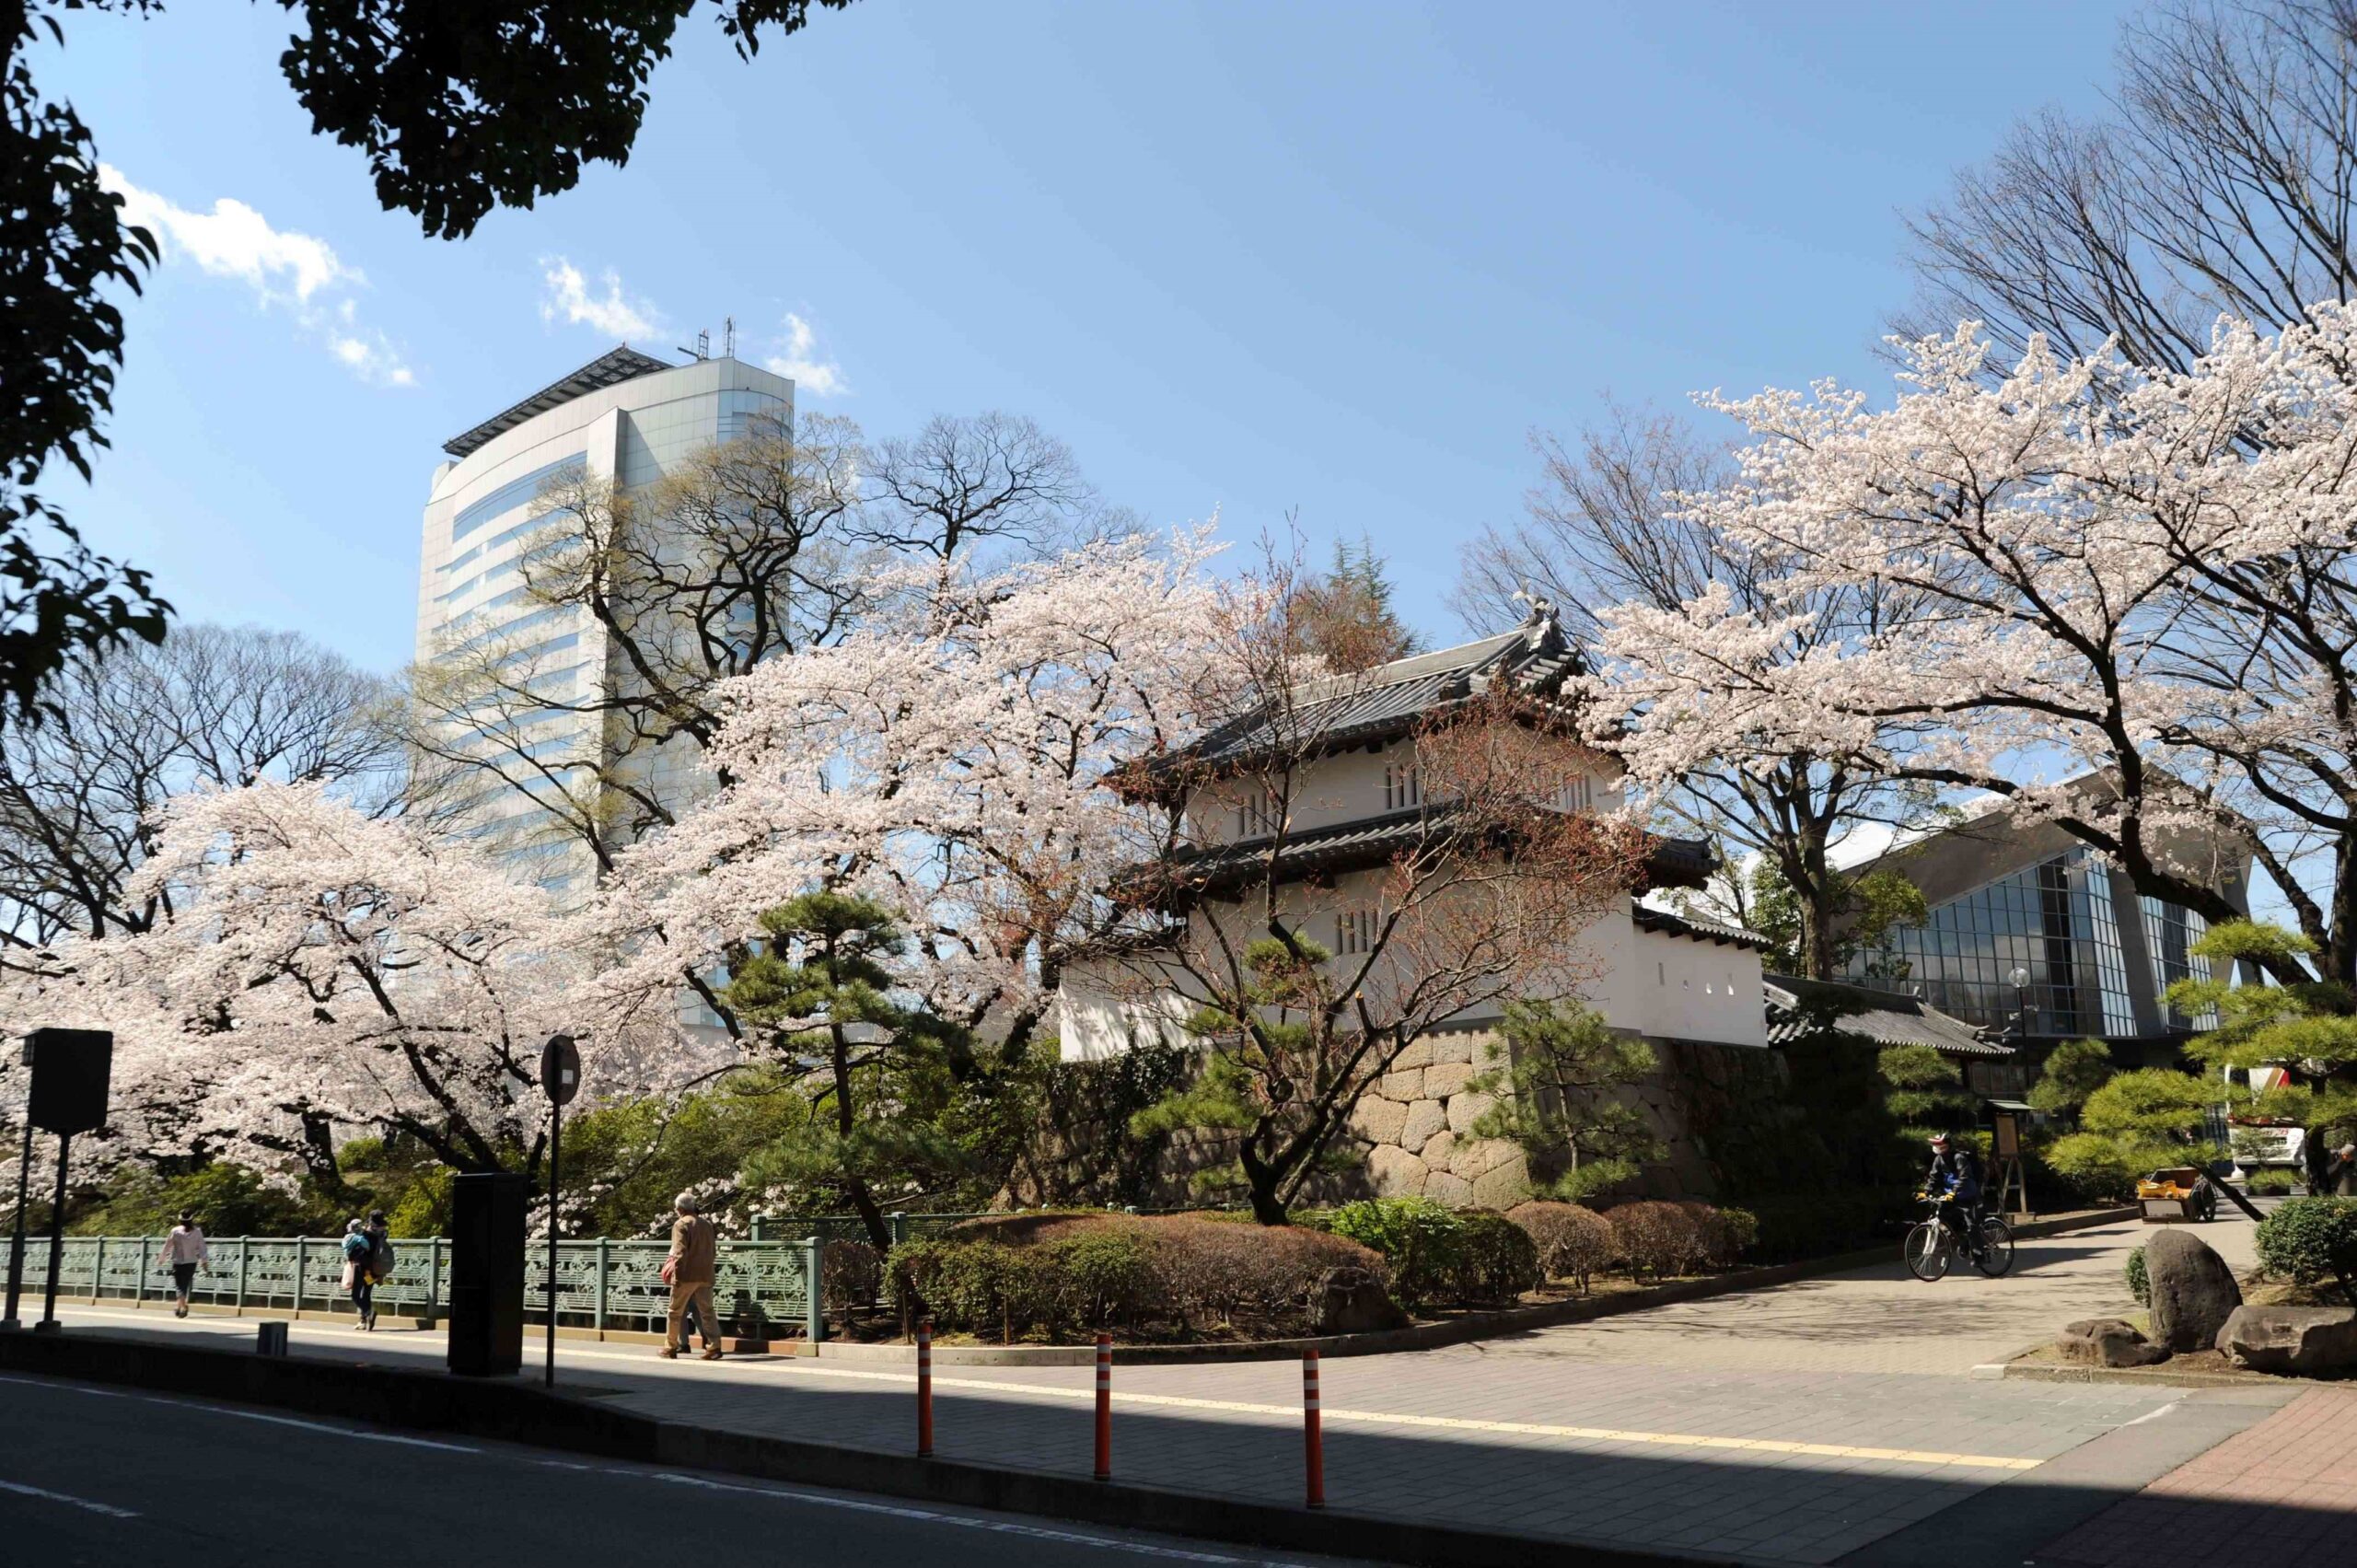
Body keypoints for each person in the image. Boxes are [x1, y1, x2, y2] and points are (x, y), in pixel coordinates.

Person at [662, 1192, 721, 1361]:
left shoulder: (680, 1225)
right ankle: (714, 1346)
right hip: (706, 1274)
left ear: (680, 1209)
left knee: (674, 1312)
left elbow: (679, 1253)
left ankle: (670, 1346)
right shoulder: (707, 1224)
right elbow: (713, 1251)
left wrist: (677, 1276)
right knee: (707, 1312)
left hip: (687, 1275)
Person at [1926, 1131, 1984, 1244]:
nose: (1940, 1149)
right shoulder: (1938, 1159)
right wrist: (1926, 1191)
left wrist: (1954, 1191)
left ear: (1949, 1146)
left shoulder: (1959, 1157)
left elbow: (1964, 1177)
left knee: (1971, 1225)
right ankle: (1961, 1240)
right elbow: (1934, 1177)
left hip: (1967, 1195)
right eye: (1938, 1147)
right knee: (1944, 1215)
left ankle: (1979, 1256)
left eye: (1943, 1147)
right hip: (1950, 1195)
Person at [161, 1211, 209, 1318]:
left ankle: (183, 1306)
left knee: (179, 1285)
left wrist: (162, 1258)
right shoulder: (197, 1232)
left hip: (178, 1261)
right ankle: (179, 1306)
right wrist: (204, 1261)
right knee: (185, 1284)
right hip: (191, 1261)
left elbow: (168, 1245)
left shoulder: (175, 1231)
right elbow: (202, 1247)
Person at [340, 1218, 377, 1330]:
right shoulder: (375, 1236)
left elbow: (345, 1249)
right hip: (371, 1270)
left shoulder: (350, 1237)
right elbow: (369, 1247)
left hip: (358, 1268)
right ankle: (365, 1321)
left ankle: (368, 1313)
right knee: (366, 1294)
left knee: (355, 1295)